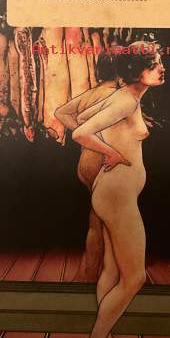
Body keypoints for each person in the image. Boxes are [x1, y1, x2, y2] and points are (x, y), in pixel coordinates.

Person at [70, 41, 165, 338]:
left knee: (111, 271)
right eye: (152, 64)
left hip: (115, 193)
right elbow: (80, 131)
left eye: (159, 61)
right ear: (135, 70)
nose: (161, 67)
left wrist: (112, 143)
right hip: (116, 196)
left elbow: (83, 116)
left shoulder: (127, 97)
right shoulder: (125, 100)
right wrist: (110, 152)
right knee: (135, 277)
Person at [53, 53, 120, 285]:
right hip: (103, 161)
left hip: (86, 162)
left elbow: (60, 113)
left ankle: (90, 273)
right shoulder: (118, 95)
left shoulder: (91, 94)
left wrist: (81, 131)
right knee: (110, 221)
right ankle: (100, 275)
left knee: (97, 218)